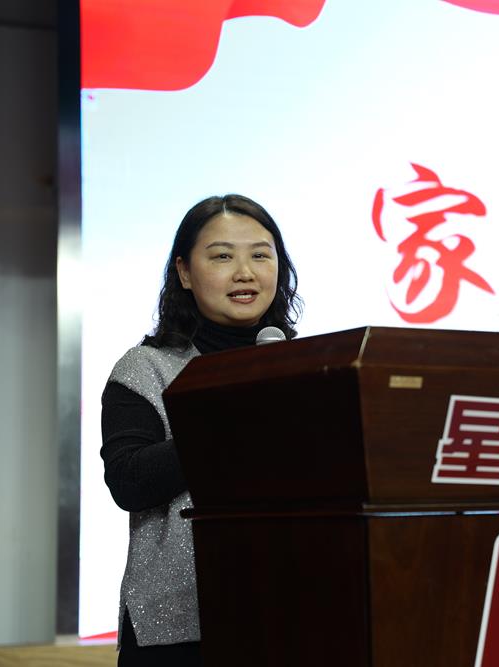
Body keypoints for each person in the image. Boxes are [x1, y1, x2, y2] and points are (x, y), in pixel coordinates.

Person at [100, 194, 301, 666]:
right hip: (178, 626)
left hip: (291, 606)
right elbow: (129, 481)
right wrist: (226, 418)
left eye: (261, 255)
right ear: (185, 273)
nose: (245, 272)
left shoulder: (305, 365)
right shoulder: (146, 368)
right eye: (223, 256)